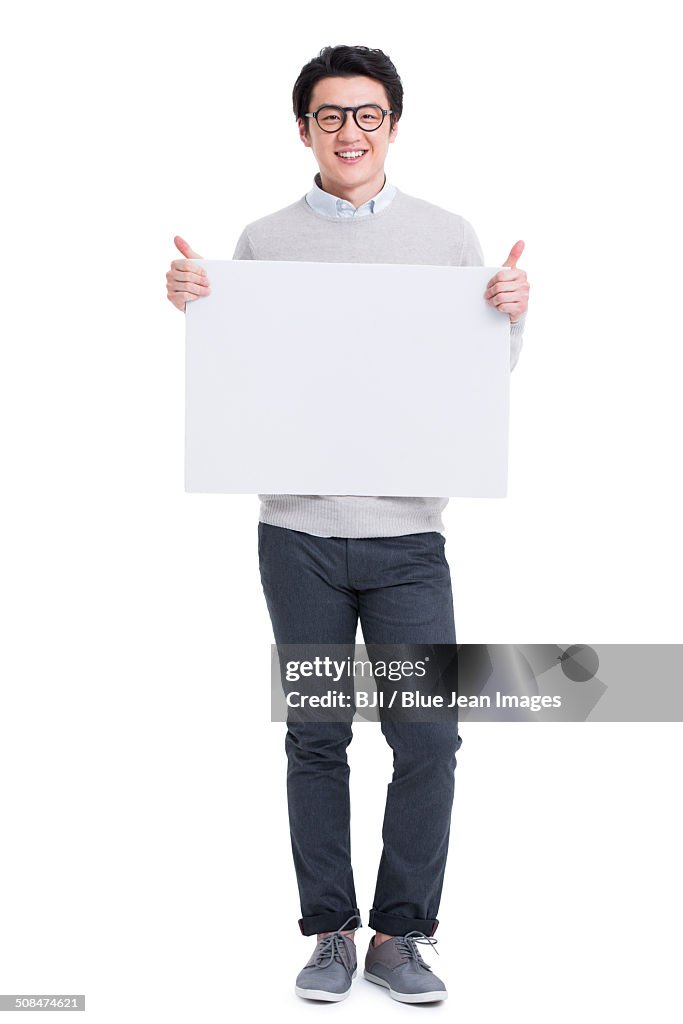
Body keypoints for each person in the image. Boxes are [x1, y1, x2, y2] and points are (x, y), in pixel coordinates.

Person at [166, 44, 530, 1004]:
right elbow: (240, 376)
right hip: (298, 536)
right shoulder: (264, 238)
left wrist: (508, 314)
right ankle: (328, 929)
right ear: (304, 129)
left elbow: (476, 381)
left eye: (367, 115)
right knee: (318, 735)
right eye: (330, 116)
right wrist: (197, 308)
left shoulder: (447, 235)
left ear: (392, 126)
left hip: (409, 536)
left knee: (428, 735)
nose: (350, 132)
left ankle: (400, 934)